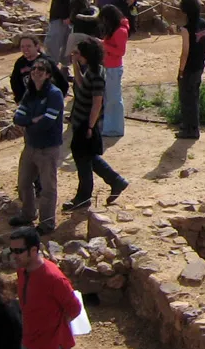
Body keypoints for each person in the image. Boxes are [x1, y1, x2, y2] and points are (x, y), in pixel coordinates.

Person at [66, 38, 128, 212]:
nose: (75, 54)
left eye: (77, 52)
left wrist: (90, 126)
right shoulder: (91, 71)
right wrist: (75, 65)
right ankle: (116, 181)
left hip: (86, 122)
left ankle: (83, 197)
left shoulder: (96, 74)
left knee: (82, 160)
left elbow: (97, 102)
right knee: (88, 157)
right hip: (81, 120)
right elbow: (80, 84)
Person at [10, 58, 65, 235]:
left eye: (40, 70)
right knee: (24, 183)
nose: (36, 72)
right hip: (30, 146)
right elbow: (17, 118)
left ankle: (47, 223)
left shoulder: (54, 94)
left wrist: (29, 123)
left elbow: (48, 122)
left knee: (48, 188)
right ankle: (28, 214)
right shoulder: (30, 92)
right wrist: (32, 120)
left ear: (48, 74)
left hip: (47, 148)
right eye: (34, 69)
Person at [176, 0, 205, 141]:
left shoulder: (186, 29)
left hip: (189, 68)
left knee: (186, 99)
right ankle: (191, 127)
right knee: (193, 98)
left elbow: (185, 52)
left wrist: (180, 71)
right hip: (199, 65)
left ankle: (190, 130)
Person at [45, 0, 90, 64]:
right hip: (59, 19)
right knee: (54, 45)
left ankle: (65, 70)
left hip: (75, 21)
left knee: (69, 47)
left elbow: (85, 3)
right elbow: (57, 1)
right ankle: (51, 70)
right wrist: (65, 17)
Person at [9, 34, 68, 105]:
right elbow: (14, 81)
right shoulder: (20, 62)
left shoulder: (46, 61)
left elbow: (62, 82)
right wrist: (19, 99)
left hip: (46, 102)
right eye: (22, 46)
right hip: (28, 101)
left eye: (29, 46)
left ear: (36, 46)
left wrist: (57, 100)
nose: (25, 49)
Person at [98, 5, 129, 138]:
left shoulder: (120, 31)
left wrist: (103, 44)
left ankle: (114, 129)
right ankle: (108, 126)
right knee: (108, 98)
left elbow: (121, 52)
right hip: (108, 66)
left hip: (113, 68)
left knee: (114, 99)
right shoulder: (115, 29)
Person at [64, 0, 100, 83]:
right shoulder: (93, 12)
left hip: (81, 46)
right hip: (93, 44)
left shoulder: (76, 16)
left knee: (83, 66)